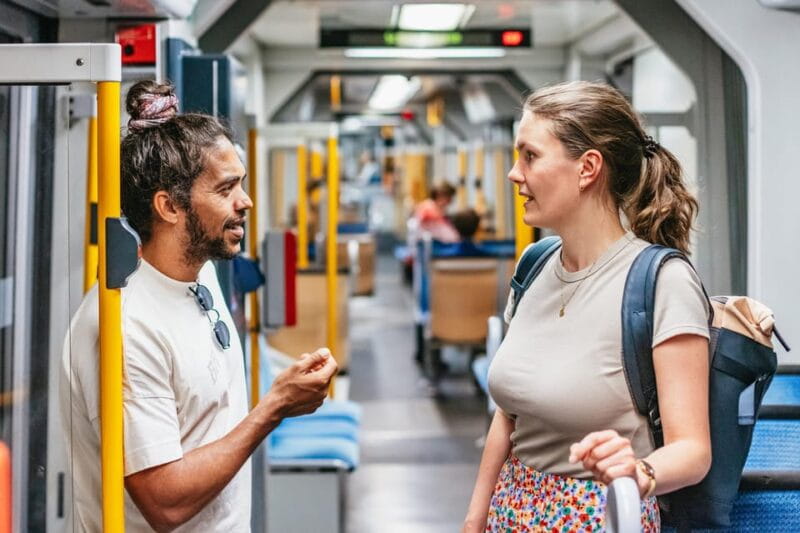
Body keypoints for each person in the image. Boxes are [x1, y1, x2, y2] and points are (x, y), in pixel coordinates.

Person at [60, 80, 338, 532]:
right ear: (170, 207)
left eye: (241, 185)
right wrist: (274, 407)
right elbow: (165, 502)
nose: (245, 202)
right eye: (227, 189)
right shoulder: (127, 326)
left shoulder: (198, 270)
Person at [463, 81, 711, 532]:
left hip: (599, 516)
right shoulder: (534, 266)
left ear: (587, 168)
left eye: (530, 156)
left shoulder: (663, 283)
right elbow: (511, 413)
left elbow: (693, 450)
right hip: (510, 511)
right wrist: (475, 517)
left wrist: (640, 474)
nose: (514, 174)